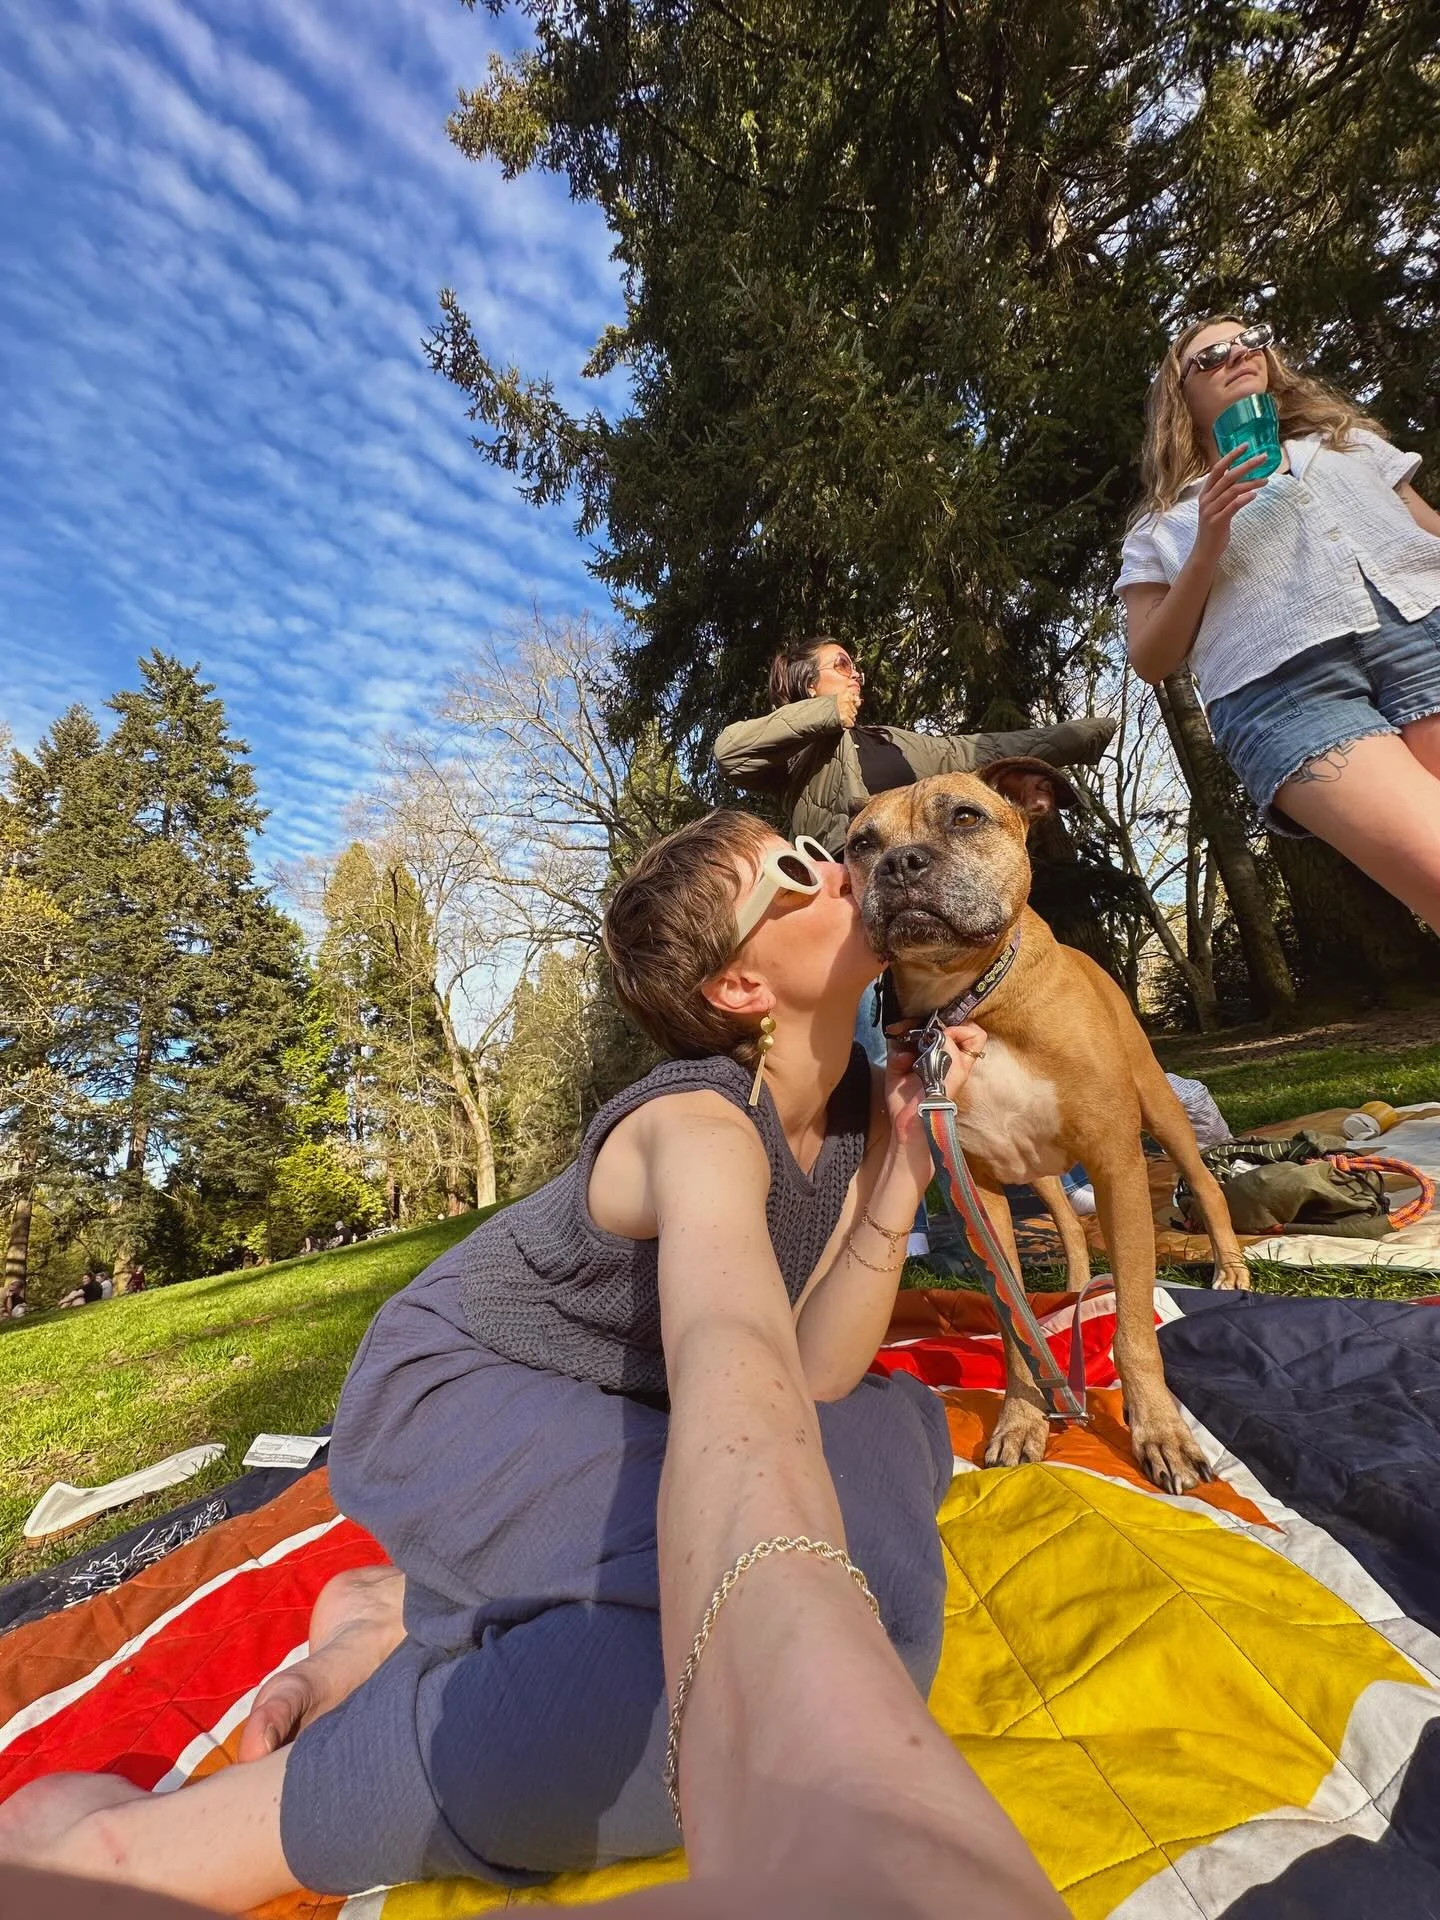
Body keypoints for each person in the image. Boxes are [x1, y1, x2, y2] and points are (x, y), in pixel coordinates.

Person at [0, 809, 1025, 1915]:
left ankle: (397, 1608)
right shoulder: (698, 1121)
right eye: (794, 867)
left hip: (611, 1396)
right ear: (738, 986)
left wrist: (902, 1170)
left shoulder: (862, 1104)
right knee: (808, 1616)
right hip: (459, 1387)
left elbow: (813, 1373)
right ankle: (153, 1849)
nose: (836, 866)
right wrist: (811, 1677)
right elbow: (731, 1347)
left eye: (822, 852)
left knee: (881, 1447)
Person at [1118, 314, 1440, 930]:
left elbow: (1428, 531)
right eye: (1210, 355)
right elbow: (1151, 658)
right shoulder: (1162, 524)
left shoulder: (1347, 445)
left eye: (1250, 341)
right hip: (1286, 692)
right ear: (1178, 399)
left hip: (1424, 634)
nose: (1238, 354)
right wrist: (1208, 543)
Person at [712, 637, 1116, 859]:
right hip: (841, 886)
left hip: (918, 873)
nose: (857, 675)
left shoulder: (890, 738)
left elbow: (975, 750)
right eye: (842, 664)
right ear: (809, 684)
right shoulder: (795, 753)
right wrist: (826, 712)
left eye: (856, 668)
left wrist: (1089, 734)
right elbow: (731, 753)